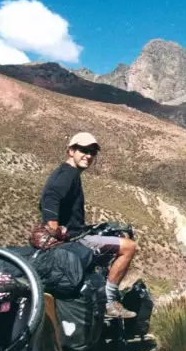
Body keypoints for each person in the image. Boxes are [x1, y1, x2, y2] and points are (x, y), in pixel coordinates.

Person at [39, 132, 137, 319]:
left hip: (76, 235)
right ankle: (110, 302)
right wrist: (53, 226)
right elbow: (51, 197)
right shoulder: (68, 174)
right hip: (75, 240)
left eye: (92, 152)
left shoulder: (68, 173)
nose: (89, 156)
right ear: (70, 151)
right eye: (83, 150)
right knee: (128, 247)